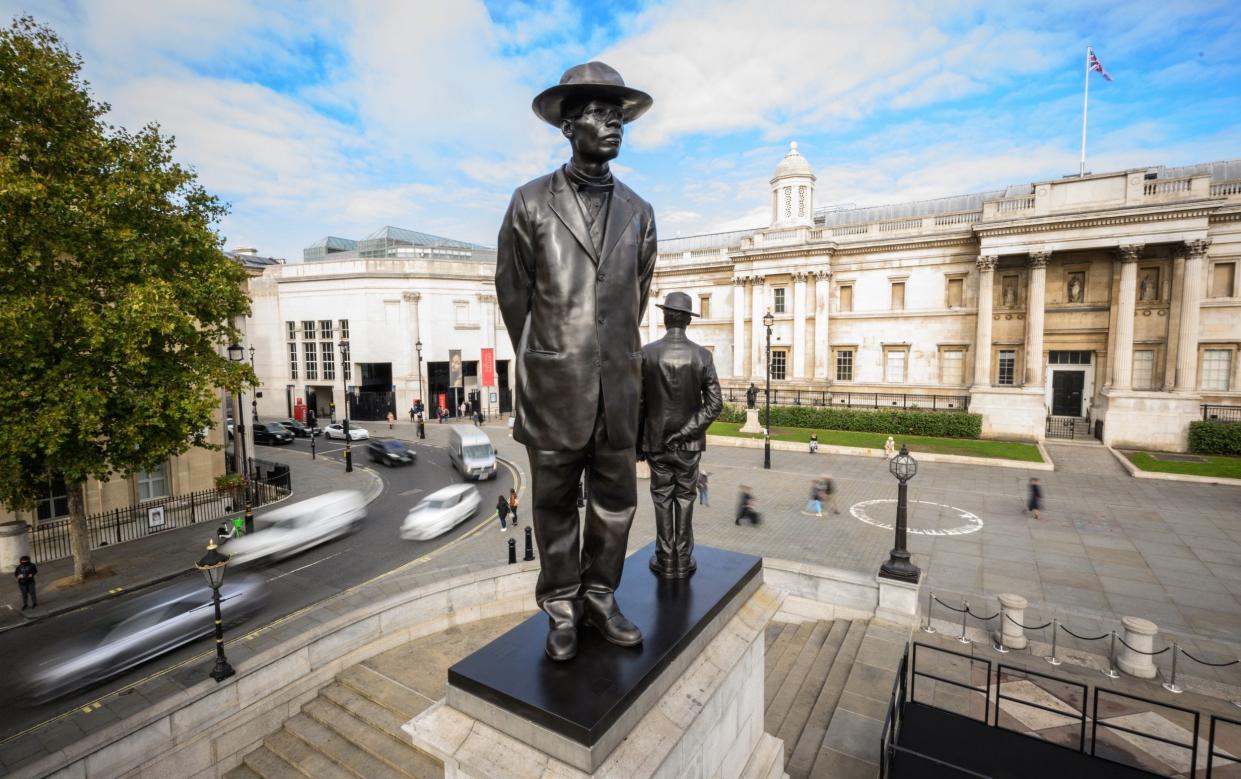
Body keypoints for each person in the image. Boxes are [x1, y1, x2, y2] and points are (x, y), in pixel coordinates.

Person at [496, 61, 656, 661]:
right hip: (552, 385)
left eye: (619, 116)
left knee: (617, 503)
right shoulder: (530, 202)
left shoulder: (639, 211)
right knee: (555, 503)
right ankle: (560, 604)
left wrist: (604, 355)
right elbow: (513, 292)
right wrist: (548, 356)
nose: (613, 125)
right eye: (598, 114)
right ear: (568, 125)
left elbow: (634, 297)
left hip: (618, 387)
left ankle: (600, 597)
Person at [638, 291, 723, 579]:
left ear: (665, 317)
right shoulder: (702, 356)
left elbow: (637, 403)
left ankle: (665, 558)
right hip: (688, 445)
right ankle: (683, 558)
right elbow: (715, 405)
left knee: (662, 498)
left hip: (656, 442)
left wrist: (640, 443)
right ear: (688, 320)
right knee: (685, 497)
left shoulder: (647, 353)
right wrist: (685, 433)